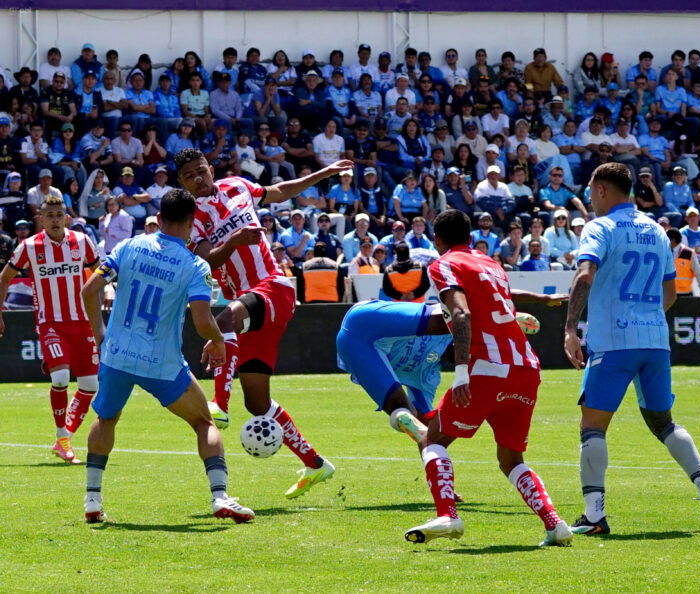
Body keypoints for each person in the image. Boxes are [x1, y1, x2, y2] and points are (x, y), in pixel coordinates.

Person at [175, 148, 352, 498]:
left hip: (273, 286)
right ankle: (316, 464)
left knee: (224, 318)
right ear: (182, 183)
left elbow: (282, 190)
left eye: (201, 171)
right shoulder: (190, 218)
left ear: (211, 169)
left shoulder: (237, 186)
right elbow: (207, 260)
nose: (198, 178)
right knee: (258, 404)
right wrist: (235, 241)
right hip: (250, 304)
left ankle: (219, 407)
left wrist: (325, 172)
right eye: (189, 176)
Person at [564, 162, 700, 536]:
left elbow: (585, 274)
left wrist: (571, 328)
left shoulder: (599, 227)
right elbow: (671, 293)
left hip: (613, 342)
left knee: (592, 426)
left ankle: (594, 515)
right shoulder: (656, 230)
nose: (590, 198)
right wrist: (647, 316)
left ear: (602, 190)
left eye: (591, 191)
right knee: (663, 422)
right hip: (655, 340)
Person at [80, 188, 254, 524]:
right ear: (191, 223)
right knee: (204, 422)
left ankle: (92, 499)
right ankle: (220, 497)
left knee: (106, 419)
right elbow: (202, 321)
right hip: (160, 362)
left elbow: (89, 290)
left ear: (159, 219)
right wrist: (218, 341)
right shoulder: (195, 265)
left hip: (116, 355)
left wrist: (101, 334)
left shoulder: (128, 246)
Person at [406, 208, 572, 546]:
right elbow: (504, 299)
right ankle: (555, 524)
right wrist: (542, 299)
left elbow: (461, 313)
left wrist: (463, 371)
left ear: (437, 240)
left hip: (485, 369)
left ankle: (448, 515)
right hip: (526, 367)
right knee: (510, 458)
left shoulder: (443, 264)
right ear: (470, 237)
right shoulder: (489, 263)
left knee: (432, 440)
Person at [0, 195, 100, 464]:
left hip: (83, 322)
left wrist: (110, 288)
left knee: (90, 385)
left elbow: (99, 272)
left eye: (59, 214)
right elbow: (4, 278)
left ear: (67, 216)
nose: (55, 219)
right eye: (50, 215)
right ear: (40, 219)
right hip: (51, 323)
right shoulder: (29, 246)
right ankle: (63, 437)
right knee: (60, 378)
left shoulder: (82, 242)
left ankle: (62, 438)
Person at [336, 300, 453, 447]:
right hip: (366, 319)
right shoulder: (447, 329)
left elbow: (424, 418)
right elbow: (456, 313)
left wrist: (435, 439)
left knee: (404, 411)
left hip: (356, 349)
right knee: (450, 319)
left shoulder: (429, 375)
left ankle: (402, 418)